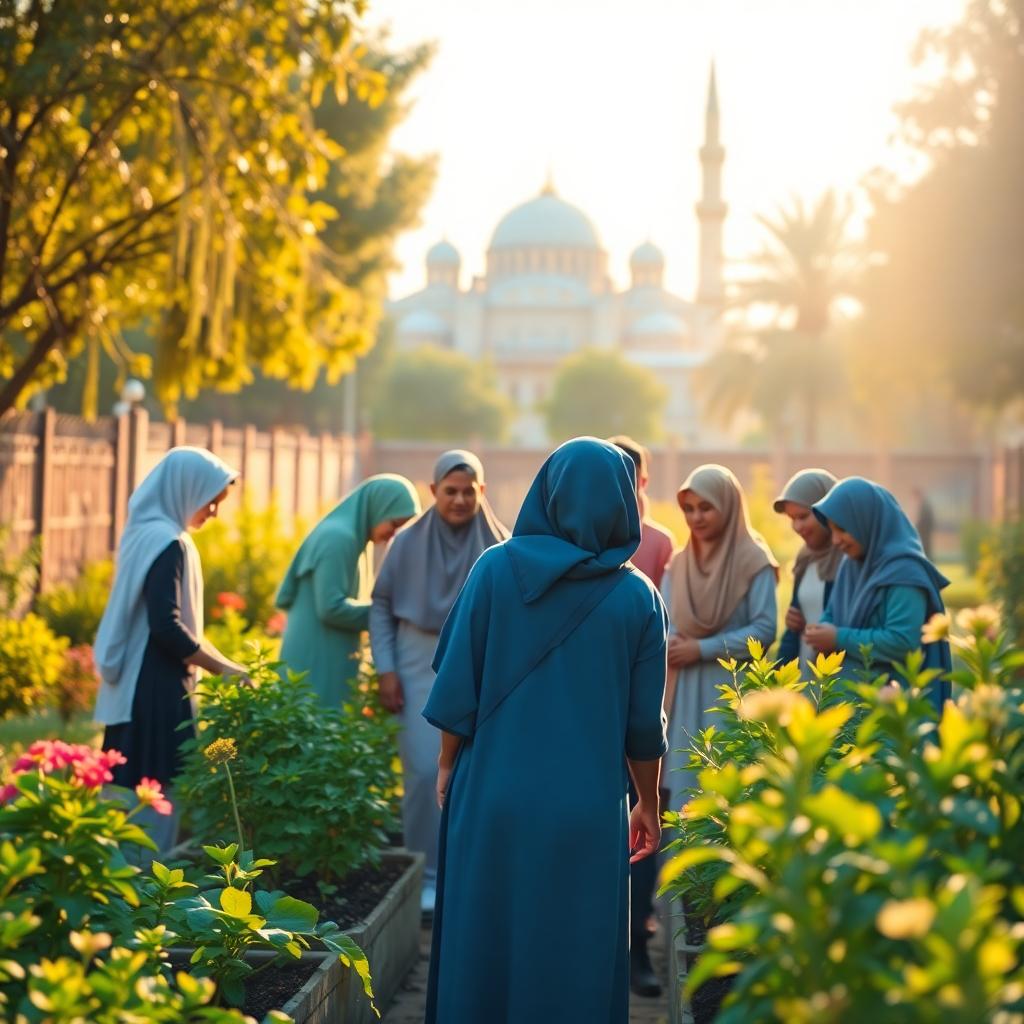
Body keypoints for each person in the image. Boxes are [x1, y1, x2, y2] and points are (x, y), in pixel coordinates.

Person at [423, 438, 668, 1024]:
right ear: (621, 501)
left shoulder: (493, 570)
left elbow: (458, 690)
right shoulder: (638, 597)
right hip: (585, 808)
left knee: (484, 943)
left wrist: (447, 766)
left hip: (492, 795)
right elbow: (642, 727)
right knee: (573, 952)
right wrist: (648, 804)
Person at [369, 450, 509, 916]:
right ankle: (423, 876)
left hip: (476, 663)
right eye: (450, 491)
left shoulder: (500, 546)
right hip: (415, 661)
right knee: (426, 772)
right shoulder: (406, 543)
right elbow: (382, 606)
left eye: (469, 491)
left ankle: (464, 877)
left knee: (475, 772)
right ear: (433, 492)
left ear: (482, 492)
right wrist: (385, 669)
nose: (460, 499)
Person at [94, 446, 250, 854]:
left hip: (138, 682)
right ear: (186, 489)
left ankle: (118, 887)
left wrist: (227, 662)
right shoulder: (169, 542)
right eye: (210, 501)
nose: (213, 512)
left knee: (126, 789)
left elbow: (172, 623)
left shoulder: (145, 532)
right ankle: (145, 892)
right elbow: (167, 627)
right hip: (158, 688)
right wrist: (223, 669)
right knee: (154, 791)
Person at [663, 464, 778, 799]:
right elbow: (666, 619)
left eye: (706, 508)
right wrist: (670, 641)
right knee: (686, 786)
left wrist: (702, 648)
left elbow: (765, 628)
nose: (695, 518)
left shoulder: (753, 560)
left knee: (729, 785)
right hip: (684, 691)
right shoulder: (679, 562)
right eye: (689, 509)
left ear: (728, 507)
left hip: (730, 691)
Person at [608, 434, 673, 998]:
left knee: (639, 844)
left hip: (642, 710)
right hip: (602, 715)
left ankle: (635, 951)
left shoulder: (657, 547)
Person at [805, 477, 952, 709]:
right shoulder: (851, 564)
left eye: (842, 529)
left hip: (894, 711)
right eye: (831, 530)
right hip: (848, 706)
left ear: (866, 521)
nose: (835, 541)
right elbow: (833, 613)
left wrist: (838, 638)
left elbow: (903, 641)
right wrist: (821, 630)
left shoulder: (904, 573)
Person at [276, 475, 420, 708]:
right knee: (313, 731)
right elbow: (331, 608)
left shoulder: (354, 539)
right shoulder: (338, 539)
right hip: (315, 657)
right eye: (393, 524)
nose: (394, 535)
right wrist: (389, 613)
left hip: (323, 653)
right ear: (378, 508)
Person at [773, 469, 842, 669]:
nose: (797, 526)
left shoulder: (848, 561)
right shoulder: (805, 559)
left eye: (803, 516)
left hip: (836, 678)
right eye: (792, 518)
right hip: (805, 671)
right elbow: (794, 628)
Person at [913, 486, 937, 560]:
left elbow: (925, 522)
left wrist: (915, 527)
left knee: (926, 553)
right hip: (923, 536)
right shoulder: (924, 506)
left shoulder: (925, 507)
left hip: (924, 536)